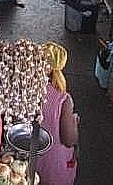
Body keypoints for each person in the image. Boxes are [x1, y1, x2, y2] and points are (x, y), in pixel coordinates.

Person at [36, 42, 78, 185]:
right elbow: (69, 140)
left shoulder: (26, 90)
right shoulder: (63, 99)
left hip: (26, 162)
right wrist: (74, 121)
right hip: (52, 167)